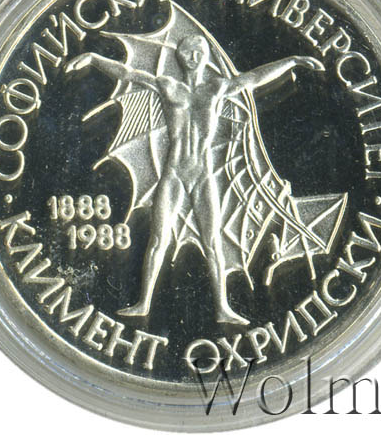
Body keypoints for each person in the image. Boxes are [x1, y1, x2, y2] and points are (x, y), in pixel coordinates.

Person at [66, 35, 324, 325]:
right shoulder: (168, 85)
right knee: (158, 239)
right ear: (180, 56)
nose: (194, 57)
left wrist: (292, 61)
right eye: (188, 52)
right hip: (173, 173)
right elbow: (128, 73)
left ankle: (223, 308)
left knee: (212, 242)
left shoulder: (217, 88)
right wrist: (94, 59)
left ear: (206, 56)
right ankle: (143, 303)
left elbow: (253, 78)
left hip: (203, 175)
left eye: (199, 52)